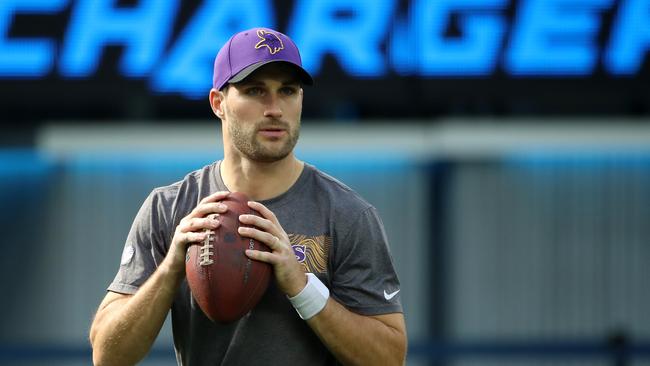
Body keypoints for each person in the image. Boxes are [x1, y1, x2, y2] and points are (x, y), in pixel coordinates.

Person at [89, 27, 407, 366]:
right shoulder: (171, 209)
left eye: (288, 90)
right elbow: (108, 356)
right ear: (218, 103)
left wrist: (302, 288)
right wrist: (170, 270)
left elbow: (389, 358)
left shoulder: (346, 213)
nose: (275, 108)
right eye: (255, 91)